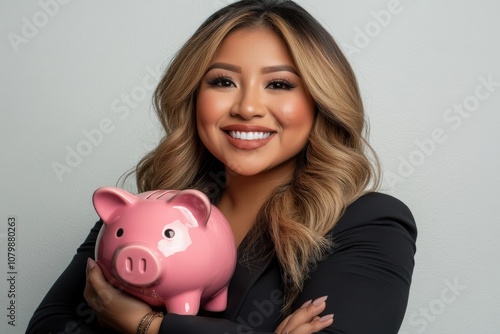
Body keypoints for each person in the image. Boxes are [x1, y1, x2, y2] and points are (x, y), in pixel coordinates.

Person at [27, 0, 417, 333]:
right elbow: (48, 326)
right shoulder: (141, 212)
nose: (247, 108)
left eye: (279, 84)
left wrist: (146, 325)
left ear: (320, 101)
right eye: (223, 82)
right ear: (194, 96)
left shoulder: (371, 223)